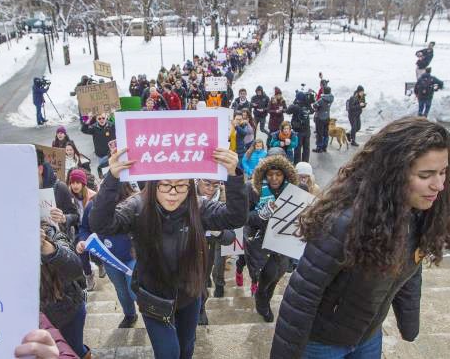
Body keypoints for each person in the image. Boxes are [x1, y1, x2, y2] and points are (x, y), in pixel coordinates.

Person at [271, 116, 450, 358]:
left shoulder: (420, 213)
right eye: (425, 175)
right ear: (393, 173)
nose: (439, 185)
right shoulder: (343, 222)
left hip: (368, 335)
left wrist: (409, 323)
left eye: (443, 172)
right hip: (321, 343)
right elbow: (303, 295)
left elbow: (410, 265)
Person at [88, 147, 248, 359]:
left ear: (190, 188)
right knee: (168, 353)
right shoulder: (138, 206)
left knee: (187, 347)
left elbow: (236, 217)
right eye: (165, 185)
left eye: (181, 186)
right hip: (153, 296)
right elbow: (101, 224)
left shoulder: (199, 207)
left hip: (190, 293)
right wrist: (112, 178)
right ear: (154, 185)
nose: (173, 193)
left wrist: (234, 175)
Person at [243, 155, 299, 322]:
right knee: (265, 279)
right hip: (260, 245)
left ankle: (265, 300)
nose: (274, 178)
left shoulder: (293, 191)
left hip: (282, 245)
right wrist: (261, 214)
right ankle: (262, 305)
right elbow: (242, 217)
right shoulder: (252, 189)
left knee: (276, 278)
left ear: (285, 175)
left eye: (278, 174)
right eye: (270, 174)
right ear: (264, 175)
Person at [76, 182, 139, 328]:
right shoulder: (92, 206)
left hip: (133, 259)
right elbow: (84, 228)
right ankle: (130, 315)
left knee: (133, 290)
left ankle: (151, 318)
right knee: (121, 291)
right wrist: (83, 241)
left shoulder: (133, 203)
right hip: (109, 260)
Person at [40, 222, 89, 358]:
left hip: (67, 313)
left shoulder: (49, 231)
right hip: (31, 321)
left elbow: (76, 269)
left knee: (75, 350)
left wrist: (46, 246)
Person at [196, 179, 237, 325]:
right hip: (188, 249)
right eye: (207, 185)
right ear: (198, 182)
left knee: (202, 283)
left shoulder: (225, 200)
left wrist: (215, 231)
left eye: (215, 185)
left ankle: (200, 308)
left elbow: (230, 237)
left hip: (209, 249)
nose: (211, 189)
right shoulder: (185, 195)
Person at [38, 150, 79, 238]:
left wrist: (64, 218)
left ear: (40, 169)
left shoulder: (60, 187)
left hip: (59, 241)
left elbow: (76, 216)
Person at [81, 113, 116, 178]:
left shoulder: (111, 125)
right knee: (105, 173)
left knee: (115, 171)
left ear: (106, 117)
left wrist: (113, 115)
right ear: (96, 119)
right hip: (101, 155)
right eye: (99, 118)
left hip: (113, 153)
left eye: (103, 118)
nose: (101, 120)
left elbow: (120, 126)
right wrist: (89, 119)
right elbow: (83, 130)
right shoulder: (94, 127)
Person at [312, 86, 334, 153]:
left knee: (319, 133)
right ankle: (324, 146)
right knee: (325, 132)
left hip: (320, 118)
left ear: (323, 91)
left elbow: (315, 105)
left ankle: (319, 147)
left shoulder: (321, 100)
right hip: (327, 117)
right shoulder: (331, 98)